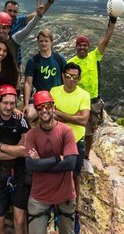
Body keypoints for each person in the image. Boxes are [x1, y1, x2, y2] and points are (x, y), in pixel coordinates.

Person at [67, 14, 117, 174]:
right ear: (76, 47)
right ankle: (73, 157)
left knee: (89, 133)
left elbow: (105, 40)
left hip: (93, 101)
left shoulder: (94, 56)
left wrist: (113, 21)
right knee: (75, 131)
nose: (82, 47)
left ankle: (86, 158)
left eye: (84, 45)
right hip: (78, 101)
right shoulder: (71, 63)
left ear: (88, 47)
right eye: (79, 45)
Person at [25, 91, 78, 234]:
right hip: (40, 195)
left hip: (64, 193)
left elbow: (70, 163)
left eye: (47, 106)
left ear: (53, 107)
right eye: (39, 108)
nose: (43, 110)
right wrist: (57, 158)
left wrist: (40, 164)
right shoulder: (31, 135)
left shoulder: (66, 131)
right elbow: (30, 165)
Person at [0, 85, 30, 234]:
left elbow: (26, 149)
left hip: (19, 171)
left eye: (12, 103)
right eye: (5, 103)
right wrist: (16, 152)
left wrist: (0, 147)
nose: (8, 107)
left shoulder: (21, 119)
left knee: (20, 220)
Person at [50, 64, 91, 232]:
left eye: (75, 77)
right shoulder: (54, 91)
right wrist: (72, 117)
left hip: (75, 141)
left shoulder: (84, 95)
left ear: (79, 78)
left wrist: (60, 114)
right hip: (55, 140)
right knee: (55, 174)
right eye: (68, 76)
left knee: (74, 176)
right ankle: (55, 206)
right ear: (63, 75)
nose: (71, 79)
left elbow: (83, 120)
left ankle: (75, 210)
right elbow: (49, 111)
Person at [0, 0, 48, 64]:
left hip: (14, 67)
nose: (1, 30)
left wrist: (39, 14)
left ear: (9, 28)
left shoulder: (14, 38)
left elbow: (29, 27)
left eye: (4, 28)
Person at [4, 0, 59, 66]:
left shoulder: (20, 21)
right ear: (4, 10)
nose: (12, 13)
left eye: (15, 11)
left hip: (15, 63)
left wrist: (50, 1)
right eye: (9, 11)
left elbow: (39, 13)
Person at [23, 28, 67, 121]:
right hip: (40, 98)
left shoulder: (59, 59)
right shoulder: (33, 61)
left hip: (57, 98)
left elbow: (66, 78)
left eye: (46, 41)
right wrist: (26, 104)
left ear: (51, 42)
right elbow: (28, 83)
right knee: (28, 116)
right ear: (38, 42)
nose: (43, 43)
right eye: (41, 41)